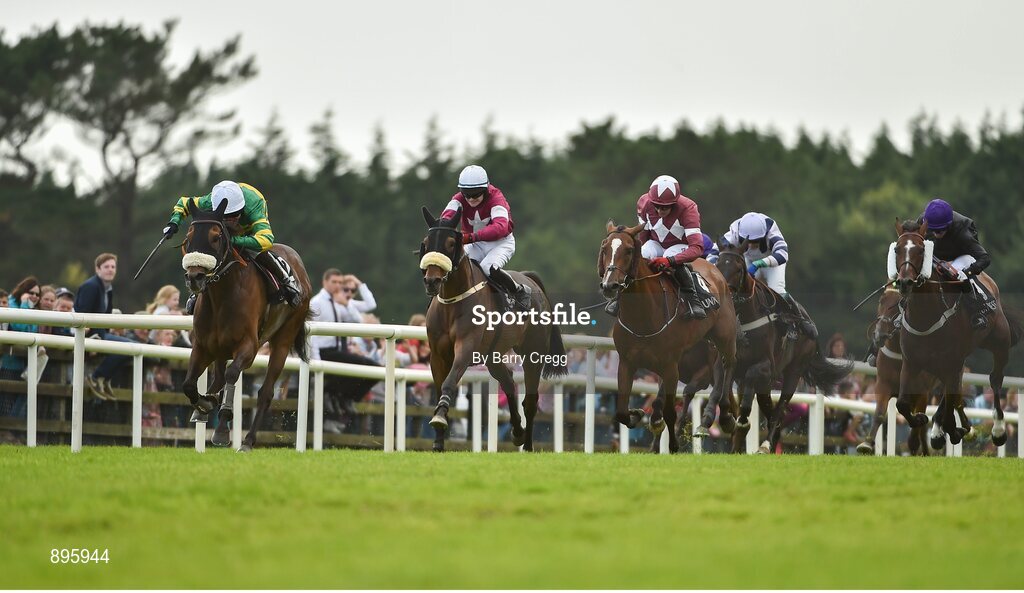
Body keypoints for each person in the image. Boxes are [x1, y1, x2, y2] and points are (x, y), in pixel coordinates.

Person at [161, 180, 302, 314]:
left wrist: (234, 240)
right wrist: (174, 222)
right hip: (220, 227)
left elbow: (266, 240)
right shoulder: (209, 201)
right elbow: (184, 202)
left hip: (249, 227)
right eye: (226, 217)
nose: (231, 221)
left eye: (234, 215)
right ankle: (197, 292)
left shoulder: (254, 205)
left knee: (256, 251)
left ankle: (287, 281)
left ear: (241, 209)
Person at [607, 174, 710, 318]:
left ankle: (694, 302)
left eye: (665, 207)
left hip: (681, 246)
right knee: (639, 256)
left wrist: (670, 261)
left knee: (669, 255)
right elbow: (644, 236)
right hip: (656, 244)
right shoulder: (643, 203)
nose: (660, 210)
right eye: (657, 206)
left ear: (674, 203)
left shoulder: (688, 208)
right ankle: (619, 298)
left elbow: (697, 248)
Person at [708, 212, 817, 338]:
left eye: (757, 241)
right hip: (748, 260)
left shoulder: (771, 230)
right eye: (750, 241)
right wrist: (714, 268)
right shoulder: (735, 231)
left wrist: (759, 263)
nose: (753, 245)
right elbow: (714, 251)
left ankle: (797, 321)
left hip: (772, 261)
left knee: (778, 289)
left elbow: (783, 254)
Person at [440, 164, 531, 310]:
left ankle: (518, 290)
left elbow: (500, 227)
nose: (471, 199)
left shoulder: (496, 198)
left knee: (487, 268)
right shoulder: (458, 199)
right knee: (456, 267)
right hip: (476, 244)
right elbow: (445, 219)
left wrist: (469, 238)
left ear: (486, 189)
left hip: (500, 243)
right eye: (467, 194)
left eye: (476, 194)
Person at [309, 268, 380, 419]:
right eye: (334, 282)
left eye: (340, 282)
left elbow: (368, 307)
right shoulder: (316, 302)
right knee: (369, 368)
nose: (337, 285)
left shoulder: (338, 301)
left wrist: (358, 286)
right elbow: (311, 333)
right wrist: (316, 361)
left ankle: (342, 396)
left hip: (337, 351)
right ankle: (336, 394)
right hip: (323, 352)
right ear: (325, 282)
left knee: (376, 370)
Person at [919, 198, 993, 330]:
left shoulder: (963, 231)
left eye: (940, 230)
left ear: (948, 225)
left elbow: (985, 258)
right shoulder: (922, 222)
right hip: (936, 257)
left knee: (956, 275)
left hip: (961, 257)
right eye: (933, 230)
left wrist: (966, 272)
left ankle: (977, 310)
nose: (936, 234)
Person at [74, 253, 133, 400]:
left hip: (101, 333)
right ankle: (97, 377)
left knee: (133, 347)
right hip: (91, 335)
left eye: (113, 267)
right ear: (97, 269)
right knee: (129, 348)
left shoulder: (108, 288)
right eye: (106, 266)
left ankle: (104, 379)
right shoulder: (91, 286)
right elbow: (82, 313)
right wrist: (93, 336)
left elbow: (105, 316)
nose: (110, 270)